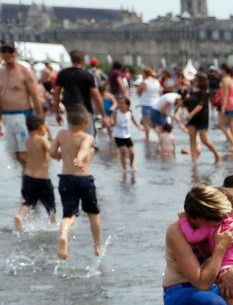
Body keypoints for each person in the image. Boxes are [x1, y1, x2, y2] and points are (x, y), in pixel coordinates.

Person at [51, 105, 100, 259]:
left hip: (65, 179)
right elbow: (85, 149)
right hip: (84, 178)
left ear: (68, 121)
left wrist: (60, 155)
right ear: (86, 123)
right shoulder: (87, 137)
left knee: (69, 214)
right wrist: (79, 158)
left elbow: (52, 152)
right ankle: (97, 246)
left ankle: (64, 234)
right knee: (93, 214)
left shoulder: (61, 134)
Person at [0, 42, 46, 169]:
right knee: (15, 154)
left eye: (10, 51)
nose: (7, 54)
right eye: (4, 51)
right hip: (7, 117)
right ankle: (27, 177)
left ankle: (31, 178)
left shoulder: (25, 72)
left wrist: (40, 121)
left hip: (23, 115)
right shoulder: (1, 73)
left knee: (24, 152)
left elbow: (35, 97)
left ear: (16, 53)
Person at [13, 115, 55, 230]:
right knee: (50, 205)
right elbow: (52, 152)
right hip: (42, 179)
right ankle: (54, 225)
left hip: (28, 178)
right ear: (41, 127)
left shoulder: (28, 141)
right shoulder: (42, 140)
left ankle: (20, 216)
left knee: (29, 202)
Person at [183, 73, 221, 164]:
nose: (194, 81)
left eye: (196, 80)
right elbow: (187, 103)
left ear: (201, 81)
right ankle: (193, 159)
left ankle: (217, 155)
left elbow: (201, 105)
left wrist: (191, 114)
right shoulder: (192, 91)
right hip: (192, 119)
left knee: (204, 140)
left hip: (201, 117)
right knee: (192, 138)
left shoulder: (205, 92)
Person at [110, 97, 143, 174]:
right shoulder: (116, 113)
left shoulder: (130, 113)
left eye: (122, 103)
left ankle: (131, 164)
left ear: (127, 105)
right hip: (118, 135)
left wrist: (140, 127)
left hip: (127, 136)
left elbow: (134, 121)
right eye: (119, 103)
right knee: (122, 152)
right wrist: (111, 122)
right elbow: (112, 121)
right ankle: (124, 167)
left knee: (132, 152)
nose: (120, 105)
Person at [217, 65, 233, 152]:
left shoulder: (225, 80)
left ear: (224, 70)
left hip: (230, 104)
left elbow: (225, 95)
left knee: (221, 125)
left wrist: (223, 108)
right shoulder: (232, 80)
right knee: (231, 125)